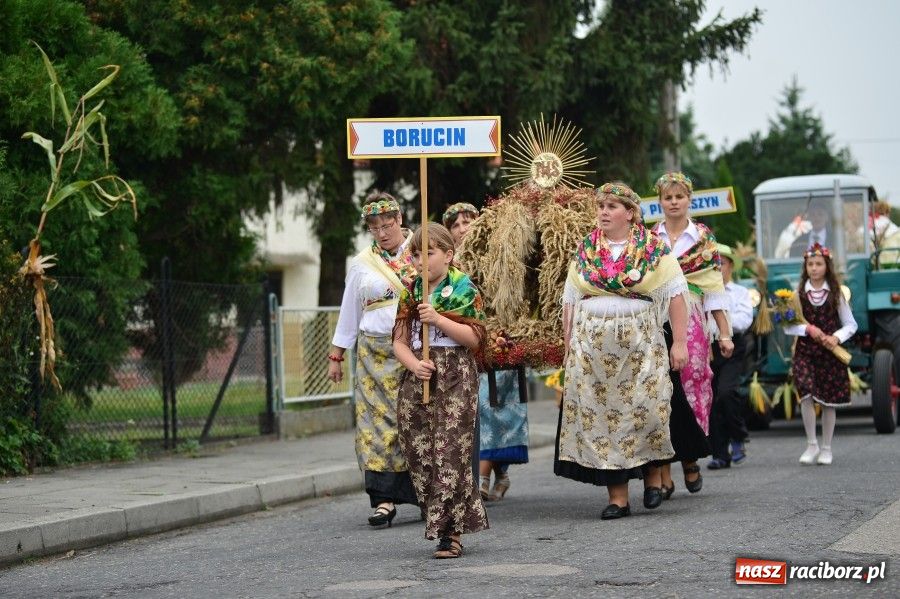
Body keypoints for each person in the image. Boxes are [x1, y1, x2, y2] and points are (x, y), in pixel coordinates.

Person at [556, 182, 689, 520]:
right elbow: (571, 300)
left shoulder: (654, 250)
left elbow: (675, 294)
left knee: (646, 409)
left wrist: (680, 342)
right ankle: (618, 499)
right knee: (602, 418)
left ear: (630, 213)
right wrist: (568, 346)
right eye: (601, 206)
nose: (603, 212)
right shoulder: (586, 250)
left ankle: (652, 479)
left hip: (641, 345)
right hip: (593, 348)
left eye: (612, 206)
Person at [393, 222, 489, 558]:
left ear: (448, 255)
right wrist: (412, 364)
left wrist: (439, 319)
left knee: (451, 451)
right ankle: (440, 518)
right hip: (420, 376)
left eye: (429, 253)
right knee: (420, 453)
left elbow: (474, 340)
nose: (421, 260)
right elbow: (400, 342)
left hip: (455, 375)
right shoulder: (411, 290)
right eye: (416, 253)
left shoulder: (464, 288)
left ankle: (451, 532)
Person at [327, 192, 418, 527]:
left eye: (388, 223)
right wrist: (337, 354)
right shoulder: (362, 262)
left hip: (413, 348)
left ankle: (425, 493)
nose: (382, 232)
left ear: (400, 218)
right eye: (374, 227)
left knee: (415, 420)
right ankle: (383, 500)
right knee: (376, 424)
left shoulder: (421, 251)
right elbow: (349, 310)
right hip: (373, 355)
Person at [652, 172, 732, 497]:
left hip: (693, 317)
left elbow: (715, 289)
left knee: (693, 382)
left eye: (679, 197)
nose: (673, 202)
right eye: (668, 198)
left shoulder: (701, 237)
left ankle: (691, 455)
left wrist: (724, 333)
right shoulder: (649, 239)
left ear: (689, 199)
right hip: (656, 319)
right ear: (659, 202)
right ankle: (665, 465)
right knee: (660, 388)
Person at [443, 202, 530, 502]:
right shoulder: (446, 267)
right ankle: (495, 473)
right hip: (462, 341)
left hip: (497, 338)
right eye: (456, 225)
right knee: (475, 409)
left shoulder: (496, 256)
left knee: (495, 408)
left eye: (469, 221)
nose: (463, 228)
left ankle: (484, 475)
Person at [784, 243, 858, 465]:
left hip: (829, 353)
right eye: (810, 264)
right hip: (806, 351)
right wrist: (807, 328)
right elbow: (789, 325)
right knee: (806, 393)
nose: (814, 268)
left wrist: (835, 337)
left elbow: (851, 325)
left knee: (828, 401)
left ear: (827, 267)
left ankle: (826, 447)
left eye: (818, 264)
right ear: (805, 267)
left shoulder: (837, 295)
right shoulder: (797, 295)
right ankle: (811, 443)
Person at [707, 244, 753, 469]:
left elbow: (744, 320)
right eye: (713, 264)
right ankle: (719, 453)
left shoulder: (740, 293)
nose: (717, 268)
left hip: (733, 346)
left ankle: (738, 436)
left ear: (731, 266)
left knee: (726, 392)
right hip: (709, 348)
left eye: (721, 263)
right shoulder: (703, 292)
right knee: (711, 399)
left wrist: (722, 322)